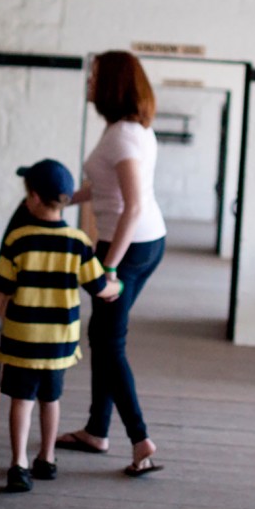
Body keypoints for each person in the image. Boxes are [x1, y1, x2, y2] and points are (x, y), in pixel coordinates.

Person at [0, 158, 121, 493]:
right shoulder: (78, 242)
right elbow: (101, 289)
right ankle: (47, 458)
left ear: (34, 198)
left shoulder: (18, 240)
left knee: (21, 400)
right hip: (59, 342)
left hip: (21, 340)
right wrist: (117, 285)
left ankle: (18, 464)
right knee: (51, 400)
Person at [56, 50, 167, 477]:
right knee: (103, 334)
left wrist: (110, 270)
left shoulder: (122, 135)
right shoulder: (131, 130)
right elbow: (106, 188)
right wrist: (67, 198)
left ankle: (141, 442)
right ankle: (97, 430)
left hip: (127, 247)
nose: (89, 82)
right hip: (144, 242)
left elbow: (133, 206)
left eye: (96, 76)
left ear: (113, 84)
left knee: (107, 340)